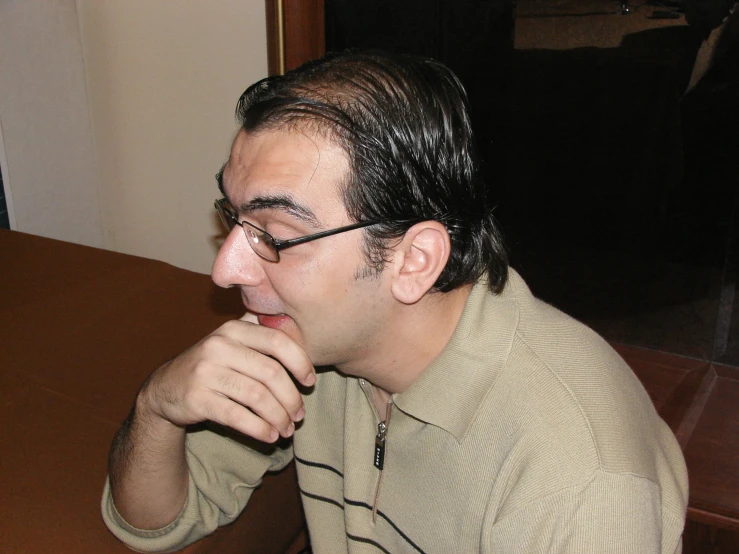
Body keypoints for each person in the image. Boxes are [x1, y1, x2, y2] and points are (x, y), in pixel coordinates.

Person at [101, 50, 688, 553]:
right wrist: (157, 406)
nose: (225, 268)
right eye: (234, 217)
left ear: (413, 261)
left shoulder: (577, 480)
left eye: (275, 236)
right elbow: (152, 522)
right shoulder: (311, 345)